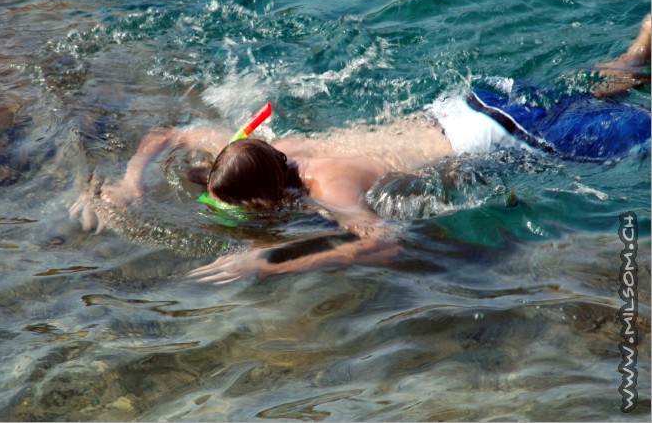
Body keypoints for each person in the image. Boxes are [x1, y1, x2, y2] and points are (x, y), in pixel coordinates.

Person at [70, 15, 651, 284]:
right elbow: (168, 134)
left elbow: (385, 246)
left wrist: (270, 262)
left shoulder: (329, 190)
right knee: (591, 89)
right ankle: (638, 52)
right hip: (465, 104)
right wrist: (130, 181)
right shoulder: (262, 146)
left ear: (269, 200)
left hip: (502, 138)